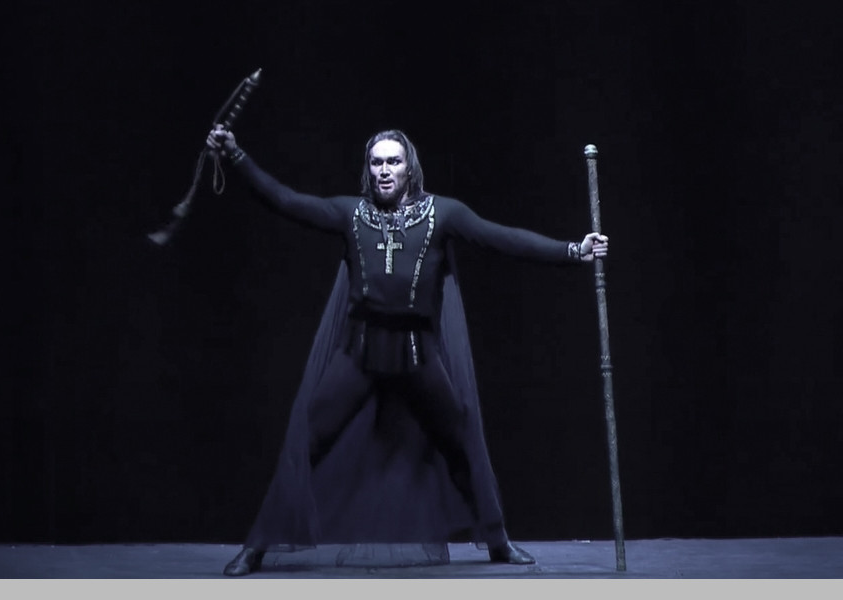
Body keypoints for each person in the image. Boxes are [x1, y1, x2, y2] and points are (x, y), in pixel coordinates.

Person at [206, 125, 609, 576]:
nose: (384, 170)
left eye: (393, 162)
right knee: (304, 445)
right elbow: (285, 200)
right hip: (359, 356)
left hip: (418, 357)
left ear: (409, 168)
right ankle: (256, 547)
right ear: (368, 169)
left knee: (460, 446)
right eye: (377, 162)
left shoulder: (443, 213)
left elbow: (502, 238)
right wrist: (236, 156)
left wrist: (572, 250)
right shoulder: (350, 213)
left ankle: (497, 542)